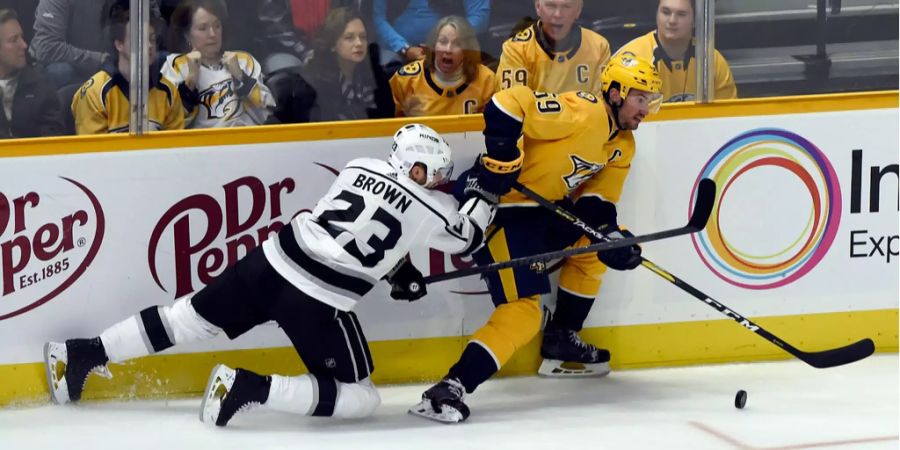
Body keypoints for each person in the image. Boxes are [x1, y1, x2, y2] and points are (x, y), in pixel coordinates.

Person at [44, 123, 497, 427]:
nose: (438, 182)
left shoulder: (362, 166)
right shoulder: (429, 206)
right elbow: (469, 238)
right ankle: (248, 387)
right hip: (317, 300)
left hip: (271, 262)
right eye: (435, 174)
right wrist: (485, 190)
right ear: (418, 168)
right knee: (362, 398)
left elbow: (362, 228)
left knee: (185, 318)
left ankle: (80, 355)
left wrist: (400, 270)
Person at [409, 53, 662, 423]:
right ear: (617, 93)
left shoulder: (623, 144)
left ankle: (561, 339)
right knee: (525, 311)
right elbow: (506, 103)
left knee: (593, 248)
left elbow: (597, 201)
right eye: (642, 99)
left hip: (542, 211)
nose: (646, 109)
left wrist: (611, 236)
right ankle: (451, 387)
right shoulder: (585, 111)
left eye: (651, 101)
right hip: (499, 205)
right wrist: (504, 159)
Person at [70, 2, 183, 134]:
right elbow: (93, 151)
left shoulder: (168, 91)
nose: (149, 45)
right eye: (140, 39)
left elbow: (175, 150)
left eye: (152, 39)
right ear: (119, 44)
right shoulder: (94, 93)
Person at [162, 0, 274, 128]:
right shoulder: (176, 66)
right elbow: (170, 124)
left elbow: (267, 113)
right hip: (205, 145)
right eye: (203, 28)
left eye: (217, 26)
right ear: (187, 35)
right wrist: (191, 82)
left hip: (246, 141)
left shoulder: (243, 61)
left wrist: (242, 78)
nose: (212, 34)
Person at [279, 7, 393, 123]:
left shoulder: (376, 77)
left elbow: (387, 121)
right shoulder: (312, 85)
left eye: (363, 37)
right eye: (349, 38)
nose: (359, 43)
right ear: (332, 44)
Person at [615, 0, 736, 102]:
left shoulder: (711, 60)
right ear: (657, 14)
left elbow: (727, 115)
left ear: (695, 20)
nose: (672, 20)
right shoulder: (632, 58)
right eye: (666, 12)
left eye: (681, 14)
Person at [30, 0, 162, 89]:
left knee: (164, 61)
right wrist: (100, 60)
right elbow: (47, 47)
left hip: (125, 62)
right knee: (59, 71)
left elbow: (157, 28)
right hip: (80, 70)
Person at [494, 0, 610, 95]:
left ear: (578, 10)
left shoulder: (598, 46)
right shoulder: (516, 49)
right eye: (550, 6)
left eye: (566, 6)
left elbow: (601, 108)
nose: (558, 14)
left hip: (585, 124)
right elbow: (513, 109)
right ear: (538, 7)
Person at [389, 15, 494, 117]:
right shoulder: (406, 80)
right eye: (443, 42)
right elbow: (388, 127)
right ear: (434, 46)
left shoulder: (486, 80)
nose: (448, 49)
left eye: (457, 44)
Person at [0, 8, 65, 138]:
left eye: (22, 37)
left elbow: (53, 141)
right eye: (14, 40)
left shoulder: (41, 86)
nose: (24, 45)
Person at [373, 0, 490, 67]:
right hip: (394, 51)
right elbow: (375, 18)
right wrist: (404, 48)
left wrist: (444, 43)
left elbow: (480, 18)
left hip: (450, 51)